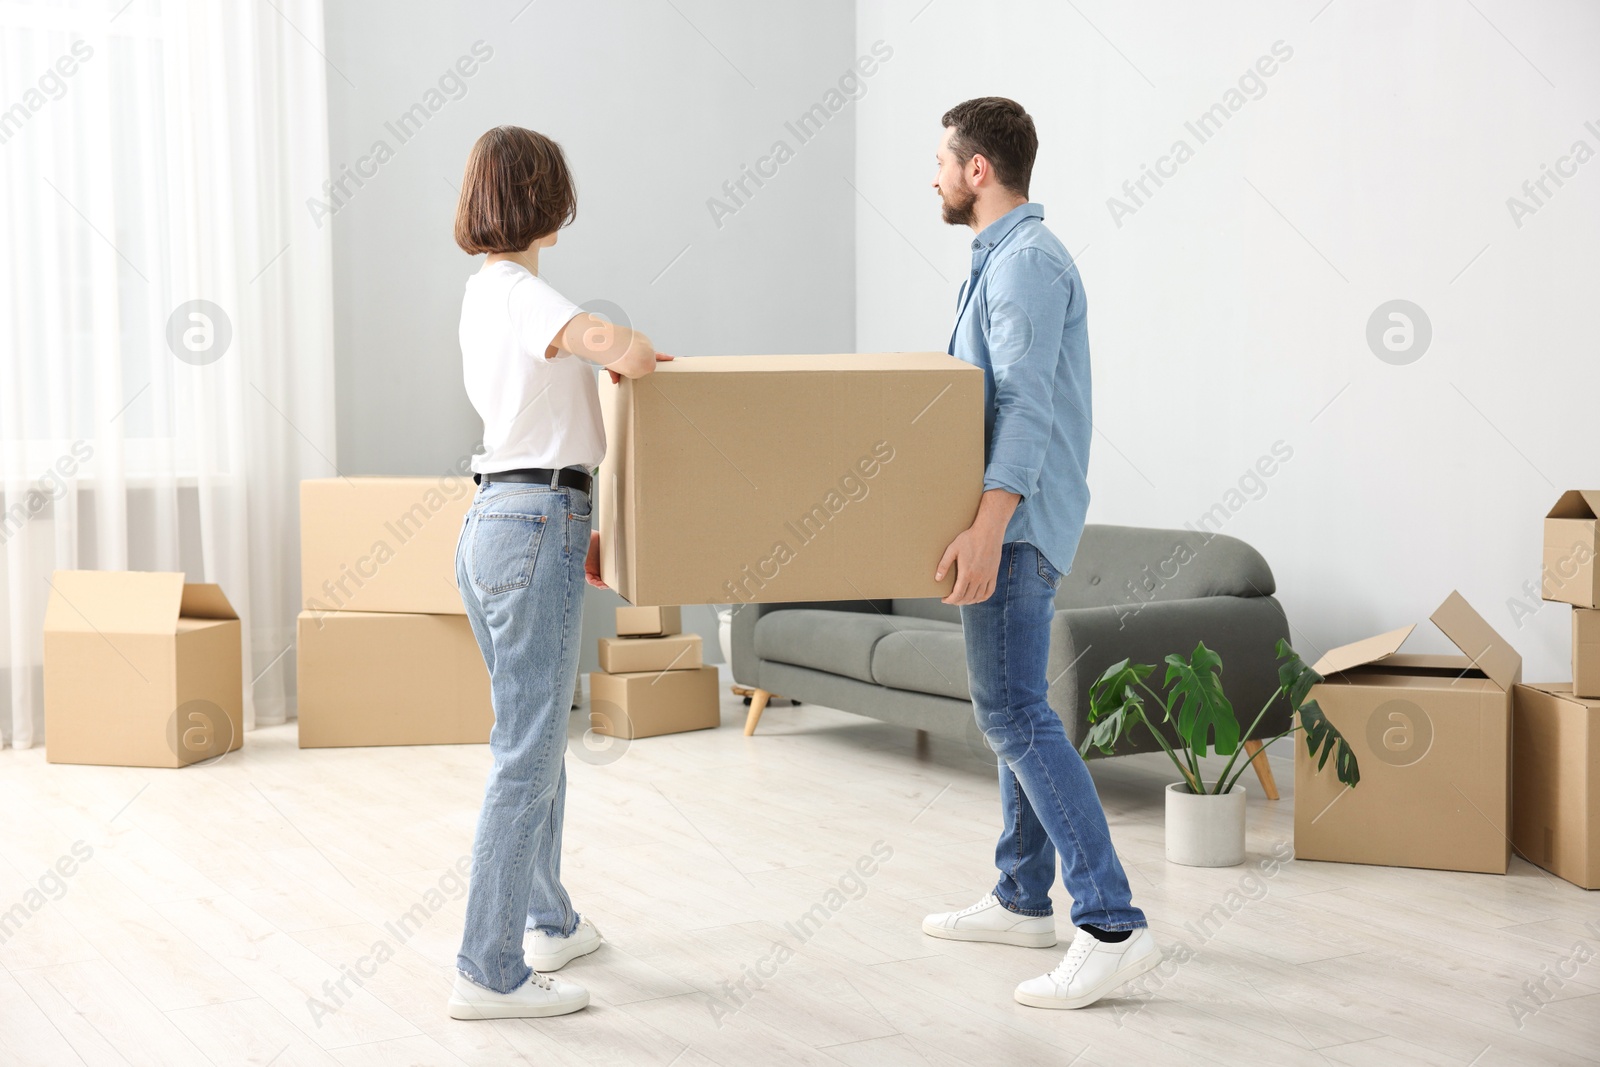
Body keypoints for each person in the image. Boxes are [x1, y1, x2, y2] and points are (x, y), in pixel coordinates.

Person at [920, 97, 1160, 1010]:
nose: (935, 174)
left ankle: (1109, 921)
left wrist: (987, 527)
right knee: (1011, 708)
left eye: (943, 159)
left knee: (1015, 712)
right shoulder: (1004, 261)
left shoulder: (1024, 265)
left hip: (1014, 527)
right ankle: (1024, 897)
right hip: (1009, 521)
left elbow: (1024, 408)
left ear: (979, 169)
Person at [446, 125, 668, 1020]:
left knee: (533, 739)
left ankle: (547, 918)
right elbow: (618, 348)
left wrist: (581, 525)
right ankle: (487, 969)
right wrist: (635, 349)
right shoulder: (523, 292)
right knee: (528, 751)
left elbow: (551, 413)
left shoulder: (481, 294)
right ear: (547, 199)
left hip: (510, 516)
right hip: (532, 518)